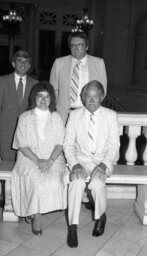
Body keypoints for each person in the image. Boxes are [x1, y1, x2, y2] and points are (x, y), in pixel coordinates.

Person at [63, 80, 120, 248]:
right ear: (82, 97)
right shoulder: (74, 115)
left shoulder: (110, 116)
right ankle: (72, 227)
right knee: (76, 182)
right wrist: (74, 164)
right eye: (88, 96)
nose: (92, 100)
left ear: (102, 97)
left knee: (96, 184)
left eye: (96, 96)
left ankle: (101, 216)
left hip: (103, 160)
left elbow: (114, 145)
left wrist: (103, 165)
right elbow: (68, 144)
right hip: (81, 160)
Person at [11, 81, 68, 235]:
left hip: (53, 158)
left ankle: (36, 210)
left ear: (52, 99)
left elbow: (60, 143)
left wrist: (49, 161)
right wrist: (37, 161)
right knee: (36, 180)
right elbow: (22, 145)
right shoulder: (24, 117)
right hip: (28, 158)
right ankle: (37, 216)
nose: (43, 100)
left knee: (54, 179)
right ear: (33, 98)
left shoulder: (56, 117)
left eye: (47, 96)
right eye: (40, 96)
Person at [0, 50, 38, 208]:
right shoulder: (2, 81)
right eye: (19, 61)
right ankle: (6, 197)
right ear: (13, 64)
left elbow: (37, 109)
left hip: (27, 133)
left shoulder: (34, 83)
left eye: (26, 62)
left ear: (30, 65)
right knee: (7, 165)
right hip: (7, 131)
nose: (23, 64)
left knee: (25, 166)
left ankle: (23, 198)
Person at [50, 31, 107, 125]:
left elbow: (102, 91)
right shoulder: (59, 63)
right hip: (64, 115)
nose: (76, 48)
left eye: (80, 45)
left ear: (87, 46)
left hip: (88, 114)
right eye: (72, 45)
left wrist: (92, 109)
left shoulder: (98, 63)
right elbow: (53, 90)